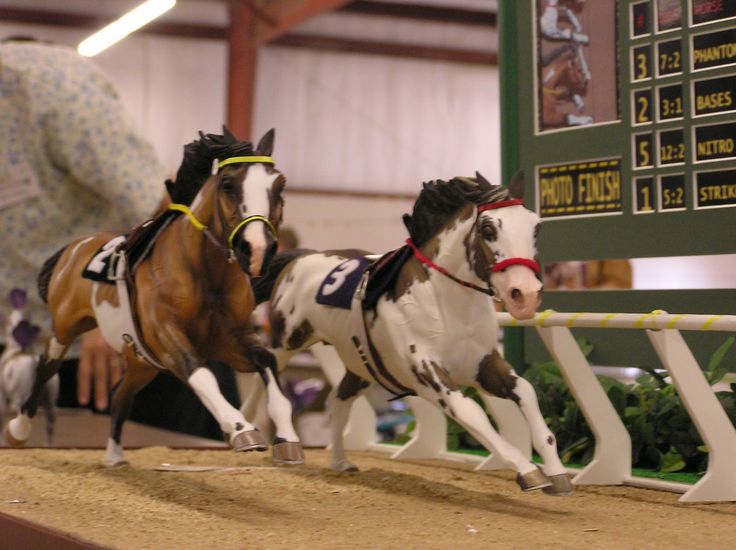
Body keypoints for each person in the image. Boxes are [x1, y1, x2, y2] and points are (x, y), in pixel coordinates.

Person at [0, 38, 165, 411]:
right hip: (29, 352)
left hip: (124, 346)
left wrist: (112, 302)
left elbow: (164, 212)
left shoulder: (52, 85)